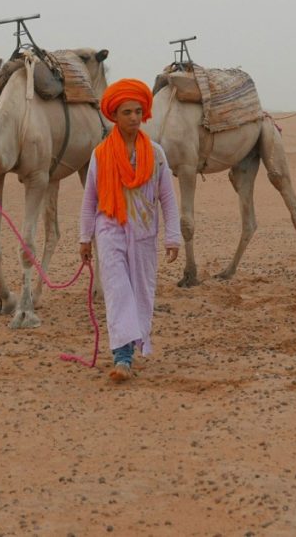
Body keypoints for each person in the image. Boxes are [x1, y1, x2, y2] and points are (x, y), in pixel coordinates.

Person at [79, 78, 181, 382]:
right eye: (127, 112)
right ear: (115, 115)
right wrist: (85, 237)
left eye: (138, 111)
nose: (134, 118)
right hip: (110, 231)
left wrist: (173, 237)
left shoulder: (156, 153)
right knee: (117, 291)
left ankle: (132, 347)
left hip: (145, 234)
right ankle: (122, 357)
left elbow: (167, 197)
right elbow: (90, 199)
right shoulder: (100, 154)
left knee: (141, 294)